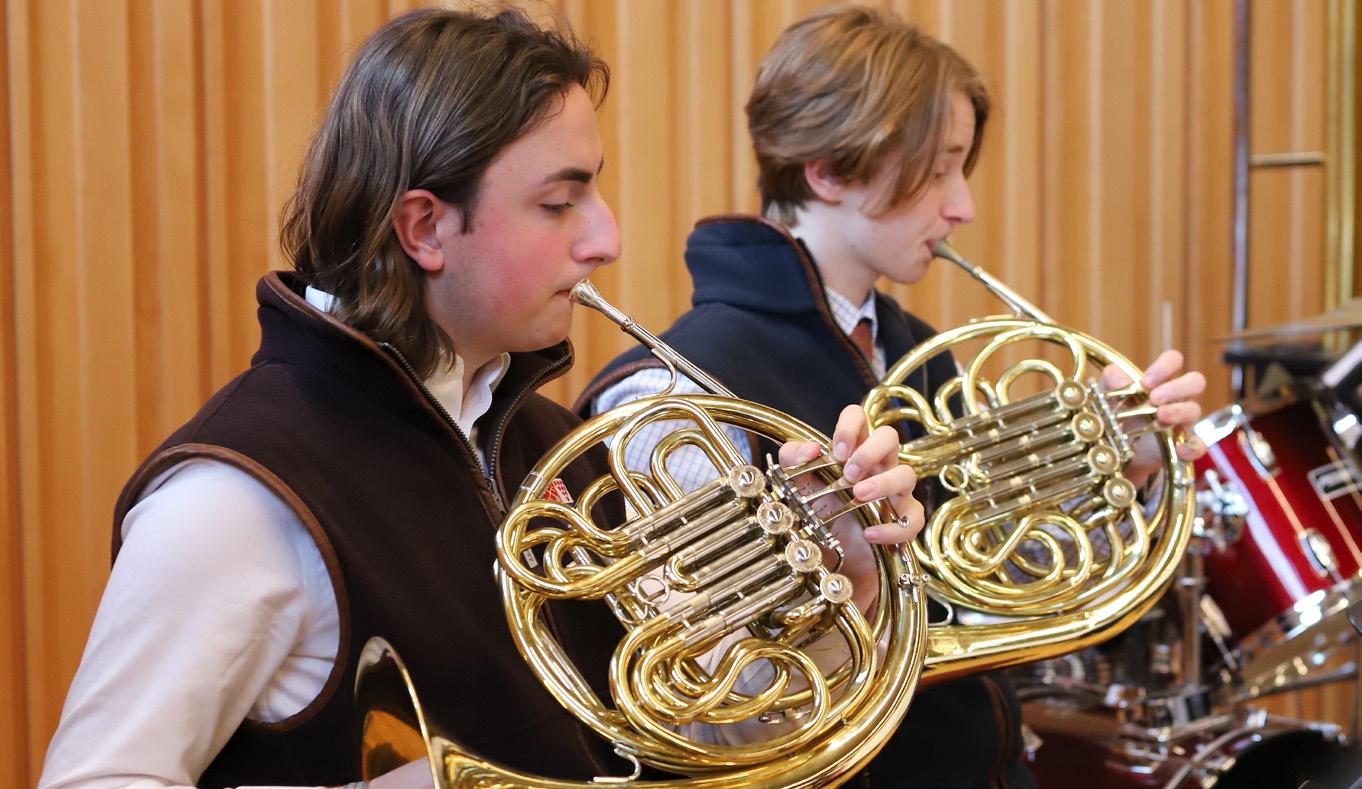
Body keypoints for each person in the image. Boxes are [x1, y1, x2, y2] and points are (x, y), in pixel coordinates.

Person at [38, 6, 922, 788]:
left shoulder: (548, 441)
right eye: (559, 202)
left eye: (594, 189)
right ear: (425, 228)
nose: (606, 238)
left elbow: (707, 736)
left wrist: (836, 584)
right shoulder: (243, 493)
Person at [578, 6, 1209, 787]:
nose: (963, 205)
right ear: (829, 171)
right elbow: (717, 702)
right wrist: (844, 578)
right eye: (939, 169)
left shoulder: (916, 351)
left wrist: (1124, 467)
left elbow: (1008, 578)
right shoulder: (677, 388)